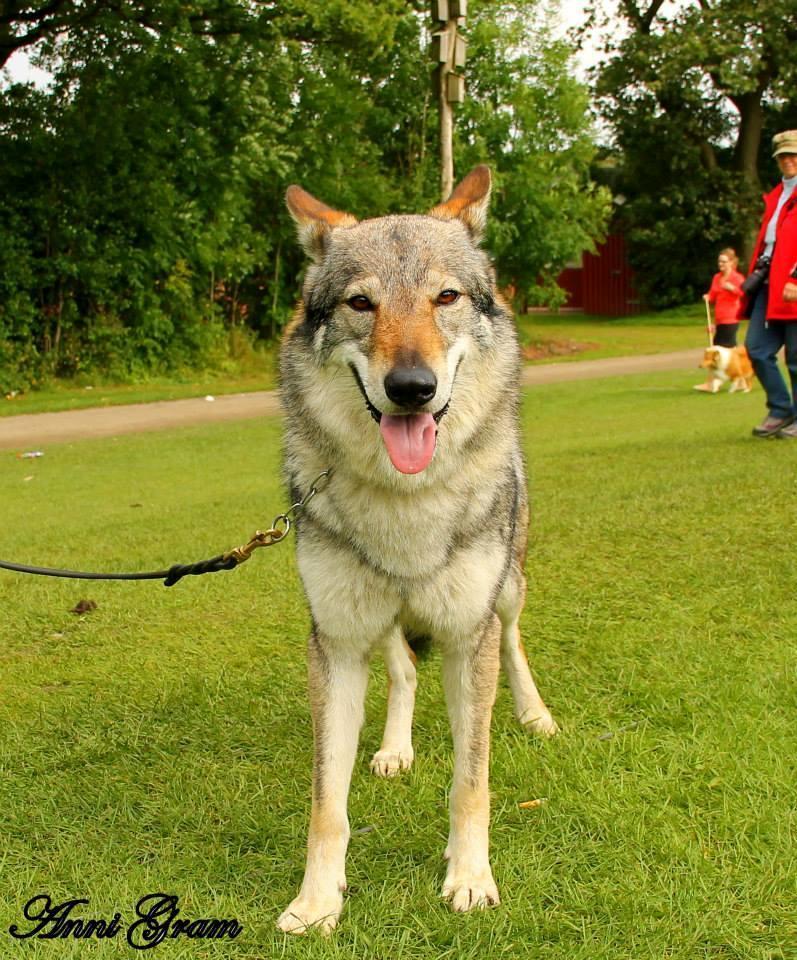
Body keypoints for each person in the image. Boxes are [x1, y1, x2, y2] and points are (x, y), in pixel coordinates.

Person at [744, 129, 797, 437]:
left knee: (796, 357)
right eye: (783, 156)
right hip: (769, 283)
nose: (788, 160)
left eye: (793, 155)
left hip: (792, 285)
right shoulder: (776, 195)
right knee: (756, 348)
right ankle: (780, 409)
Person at [694, 247, 745, 391]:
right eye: (719, 261)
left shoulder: (737, 278)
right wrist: (708, 297)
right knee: (721, 352)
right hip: (720, 319)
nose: (721, 264)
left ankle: (715, 382)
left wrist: (732, 289)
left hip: (731, 318)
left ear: (731, 262)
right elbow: (713, 295)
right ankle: (735, 379)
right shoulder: (717, 277)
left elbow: (744, 294)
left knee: (719, 353)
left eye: (724, 262)